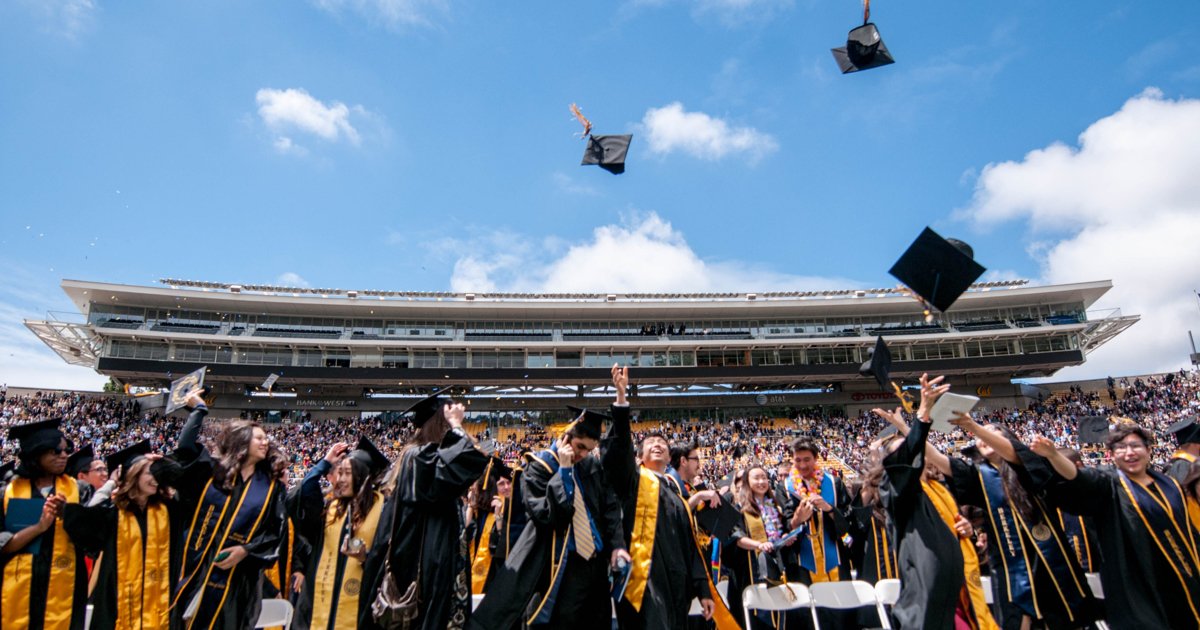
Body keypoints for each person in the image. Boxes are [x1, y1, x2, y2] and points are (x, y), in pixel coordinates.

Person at [926, 413, 1099, 629]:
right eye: (979, 437)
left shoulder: (1032, 463)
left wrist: (975, 427)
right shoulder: (978, 476)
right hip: (1011, 569)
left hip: (1050, 564)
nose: (983, 438)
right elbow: (937, 458)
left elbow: (1014, 454)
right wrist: (917, 423)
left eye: (991, 433)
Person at [1024, 422, 1200, 629]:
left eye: (1135, 446)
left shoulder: (1168, 485)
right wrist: (1054, 455)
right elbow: (1080, 477)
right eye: (1121, 448)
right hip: (1137, 581)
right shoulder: (1109, 485)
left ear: (1149, 450)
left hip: (1179, 578)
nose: (1129, 453)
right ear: (1111, 455)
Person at [470, 406, 626, 630]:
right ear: (565, 437)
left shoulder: (589, 465)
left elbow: (609, 506)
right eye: (580, 446)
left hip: (597, 566)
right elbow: (550, 516)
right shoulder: (538, 468)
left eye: (589, 450)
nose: (582, 455)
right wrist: (563, 472)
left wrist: (617, 545)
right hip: (561, 570)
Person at [865, 375, 997, 630]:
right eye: (903, 453)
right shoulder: (895, 490)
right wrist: (923, 414)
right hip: (926, 598)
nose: (914, 454)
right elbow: (906, 459)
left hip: (960, 593)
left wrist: (966, 532)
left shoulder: (940, 489)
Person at [600, 365, 718, 629]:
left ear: (670, 456)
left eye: (662, 444)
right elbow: (618, 452)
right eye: (650, 444)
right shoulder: (633, 481)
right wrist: (621, 400)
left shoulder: (677, 493)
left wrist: (703, 588)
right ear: (639, 457)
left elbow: (690, 545)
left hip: (677, 582)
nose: (657, 445)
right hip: (644, 579)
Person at [361, 389, 488, 630]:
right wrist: (456, 424)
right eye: (447, 424)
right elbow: (466, 459)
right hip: (426, 562)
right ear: (439, 424)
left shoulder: (418, 457)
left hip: (429, 555)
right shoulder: (418, 458)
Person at [170, 390, 288, 630]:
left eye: (266, 438)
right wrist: (199, 410)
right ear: (241, 442)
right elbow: (185, 448)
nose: (266, 442)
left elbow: (275, 533)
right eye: (258, 438)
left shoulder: (271, 489)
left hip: (240, 585)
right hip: (199, 573)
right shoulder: (212, 472)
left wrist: (245, 551)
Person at [62, 440, 185, 630]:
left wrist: (165, 464)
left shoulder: (170, 512)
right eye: (148, 473)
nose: (155, 478)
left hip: (160, 606)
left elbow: (189, 483)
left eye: (157, 473)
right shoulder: (113, 513)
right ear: (132, 475)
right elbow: (85, 522)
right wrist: (111, 482)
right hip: (118, 607)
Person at [0, 419, 92, 630]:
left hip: (64, 591)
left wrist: (68, 513)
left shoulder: (80, 490)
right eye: (55, 451)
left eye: (65, 450)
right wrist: (39, 527)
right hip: (15, 591)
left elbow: (92, 540)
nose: (63, 456)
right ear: (36, 454)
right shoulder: (7, 492)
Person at [294, 437, 390, 630]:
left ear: (363, 477)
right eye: (341, 473)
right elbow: (306, 489)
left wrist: (366, 557)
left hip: (361, 601)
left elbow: (388, 558)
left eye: (348, 473)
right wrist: (325, 462)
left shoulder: (384, 510)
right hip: (322, 598)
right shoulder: (331, 508)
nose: (342, 479)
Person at [728, 464, 794, 629]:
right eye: (756, 478)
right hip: (750, 568)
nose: (761, 481)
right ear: (746, 482)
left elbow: (783, 530)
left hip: (777, 565)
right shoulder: (739, 507)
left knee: (779, 611)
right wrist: (758, 544)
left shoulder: (775, 505)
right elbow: (736, 537)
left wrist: (786, 537)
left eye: (764, 477)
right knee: (755, 615)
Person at [782, 438, 852, 584]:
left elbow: (849, 520)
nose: (802, 465)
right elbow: (782, 527)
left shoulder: (834, 483)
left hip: (835, 556)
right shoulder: (785, 487)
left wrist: (829, 509)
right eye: (798, 460)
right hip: (801, 562)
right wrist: (797, 519)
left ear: (816, 458)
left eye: (807, 459)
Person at [466, 455, 526, 596]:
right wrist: (469, 507)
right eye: (501, 484)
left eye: (508, 483)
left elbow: (505, 548)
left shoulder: (512, 510)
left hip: (496, 575)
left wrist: (499, 519)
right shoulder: (477, 510)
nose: (506, 487)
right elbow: (463, 538)